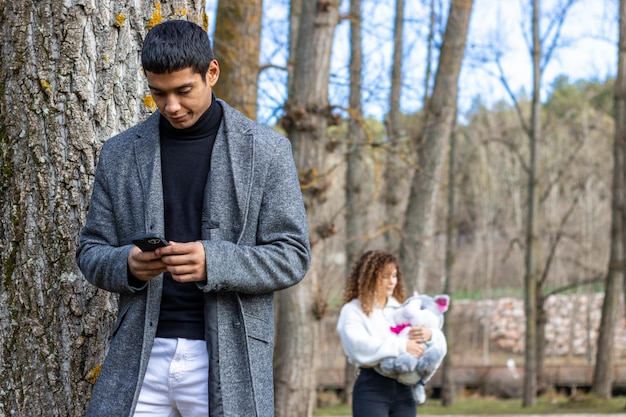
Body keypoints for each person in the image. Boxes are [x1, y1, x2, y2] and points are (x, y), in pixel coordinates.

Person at [76, 19, 311, 417]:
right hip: (139, 358)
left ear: (212, 73)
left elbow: (292, 256)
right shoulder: (118, 154)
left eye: (184, 90)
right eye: (158, 93)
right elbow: (91, 251)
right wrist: (128, 265)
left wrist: (213, 261)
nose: (171, 106)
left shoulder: (268, 151)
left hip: (228, 357)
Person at [336, 250, 438, 417]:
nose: (392, 281)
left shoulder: (402, 309)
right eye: (385, 276)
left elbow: (422, 340)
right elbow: (359, 346)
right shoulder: (352, 310)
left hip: (404, 388)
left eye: (394, 275)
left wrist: (428, 334)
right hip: (372, 389)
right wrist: (402, 346)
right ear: (369, 277)